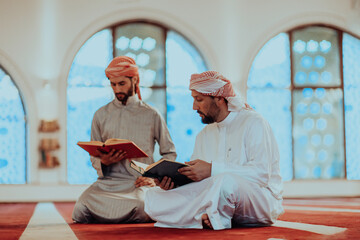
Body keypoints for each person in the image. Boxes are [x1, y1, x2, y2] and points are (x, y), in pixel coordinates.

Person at [144, 71, 284, 230]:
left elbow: (261, 174)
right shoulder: (203, 135)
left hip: (259, 199)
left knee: (226, 183)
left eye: (199, 100)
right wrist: (174, 183)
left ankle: (213, 217)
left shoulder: (253, 122)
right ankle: (210, 215)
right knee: (154, 196)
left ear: (218, 98)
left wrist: (212, 170)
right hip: (216, 196)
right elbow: (199, 182)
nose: (194, 107)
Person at [72, 56, 177, 223]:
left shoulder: (151, 114)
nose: (116, 89)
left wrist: (154, 178)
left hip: (137, 184)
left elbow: (169, 153)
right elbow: (94, 156)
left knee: (142, 208)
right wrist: (104, 162)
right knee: (80, 210)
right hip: (106, 184)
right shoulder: (100, 114)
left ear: (134, 80)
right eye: (113, 84)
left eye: (121, 84)